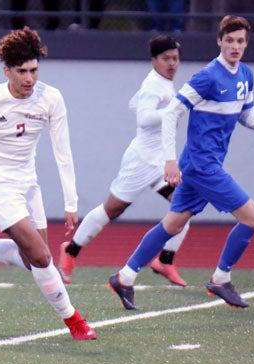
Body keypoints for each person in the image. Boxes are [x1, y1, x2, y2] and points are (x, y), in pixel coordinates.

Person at [0, 26, 96, 340]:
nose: (29, 79)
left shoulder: (51, 98)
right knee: (42, 257)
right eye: (22, 71)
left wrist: (71, 203)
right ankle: (75, 321)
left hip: (28, 183)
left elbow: (62, 152)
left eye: (34, 70)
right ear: (6, 71)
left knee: (33, 261)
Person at [109, 15, 254, 310]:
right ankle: (220, 278)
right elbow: (172, 113)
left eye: (240, 41)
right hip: (203, 166)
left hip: (202, 164)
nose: (235, 46)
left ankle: (124, 278)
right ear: (219, 41)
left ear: (246, 43)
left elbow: (247, 116)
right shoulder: (207, 76)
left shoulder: (245, 75)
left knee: (173, 224)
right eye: (229, 40)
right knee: (252, 218)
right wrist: (169, 161)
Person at [58, 35, 189, 287]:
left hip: (159, 163)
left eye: (175, 58)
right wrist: (173, 109)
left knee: (184, 207)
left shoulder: (161, 84)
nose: (172, 63)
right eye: (165, 59)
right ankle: (71, 249)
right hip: (140, 162)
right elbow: (144, 118)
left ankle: (165, 259)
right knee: (112, 209)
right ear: (154, 60)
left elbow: (135, 104)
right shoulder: (154, 85)